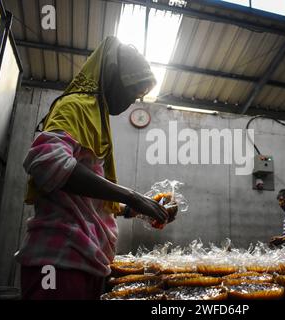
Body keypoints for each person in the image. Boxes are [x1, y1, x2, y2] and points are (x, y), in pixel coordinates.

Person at [15, 37, 173, 299]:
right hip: (58, 260)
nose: (133, 100)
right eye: (133, 91)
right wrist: (130, 195)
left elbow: (83, 198)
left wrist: (134, 209)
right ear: (113, 77)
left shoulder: (97, 119)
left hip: (85, 259)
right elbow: (47, 162)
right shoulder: (75, 106)